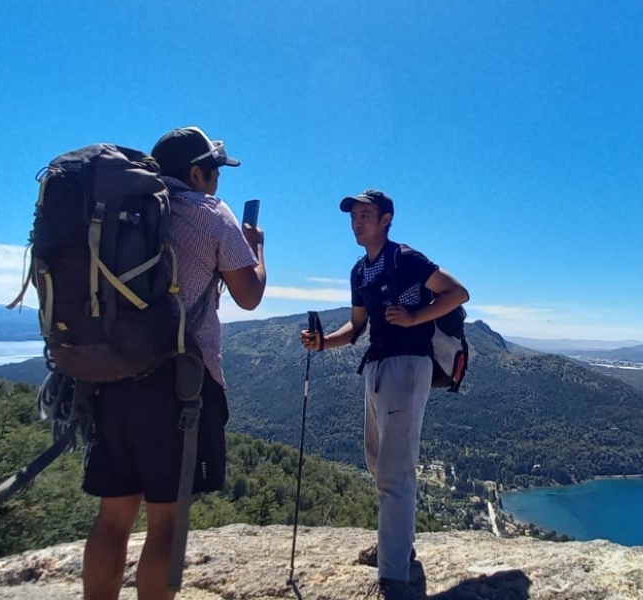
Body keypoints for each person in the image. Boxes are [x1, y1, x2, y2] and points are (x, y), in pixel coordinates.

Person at [81, 126, 266, 600]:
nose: (218, 182)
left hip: (111, 375)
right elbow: (249, 295)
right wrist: (256, 247)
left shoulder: (124, 212)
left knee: (113, 515)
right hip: (179, 386)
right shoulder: (208, 213)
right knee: (167, 521)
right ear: (196, 172)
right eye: (215, 172)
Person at [300, 189, 469, 599]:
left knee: (395, 471)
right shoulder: (361, 271)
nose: (357, 222)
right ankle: (397, 546)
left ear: (386, 219)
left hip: (409, 365)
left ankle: (394, 575)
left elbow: (457, 293)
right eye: (354, 216)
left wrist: (415, 317)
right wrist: (324, 343)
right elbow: (356, 327)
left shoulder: (405, 258)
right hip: (376, 367)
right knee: (378, 463)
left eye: (366, 215)